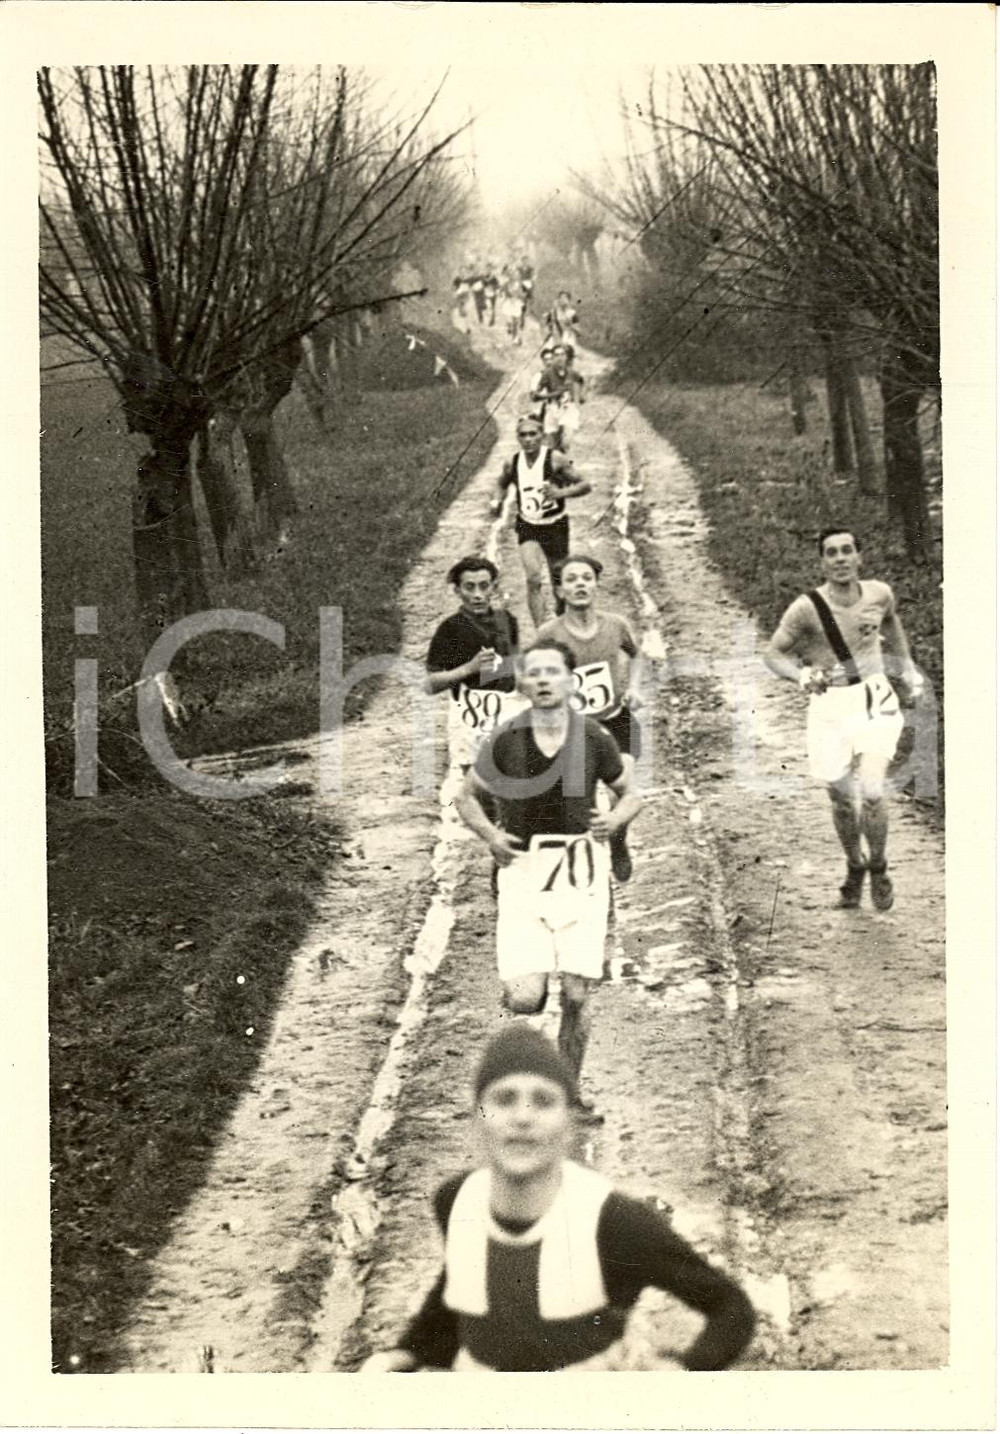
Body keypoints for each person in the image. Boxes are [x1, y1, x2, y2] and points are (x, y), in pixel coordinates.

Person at [358, 1023, 757, 1372]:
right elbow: (462, 1294)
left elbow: (731, 1309)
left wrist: (683, 1369)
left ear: (569, 1124)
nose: (523, 1117)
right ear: (477, 1121)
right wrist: (402, 1355)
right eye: (504, 1099)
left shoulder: (613, 1221)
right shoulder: (456, 1200)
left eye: (544, 1101)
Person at [454, 640, 642, 1099]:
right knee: (525, 999)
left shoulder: (594, 737)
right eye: (533, 673)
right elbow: (465, 797)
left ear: (570, 680)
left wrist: (615, 819)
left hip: (582, 870)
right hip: (523, 867)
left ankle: (568, 1094)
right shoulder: (506, 738)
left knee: (577, 994)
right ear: (522, 681)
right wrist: (492, 837)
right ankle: (520, 995)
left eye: (552, 672)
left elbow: (630, 793)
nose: (542, 680)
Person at [764, 526, 925, 911]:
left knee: (871, 791)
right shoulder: (807, 608)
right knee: (839, 798)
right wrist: (800, 675)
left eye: (847, 551)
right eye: (831, 553)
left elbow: (891, 622)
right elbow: (773, 653)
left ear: (859, 557)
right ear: (822, 562)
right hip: (830, 705)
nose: (840, 559)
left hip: (873, 699)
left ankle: (880, 866)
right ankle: (855, 865)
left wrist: (905, 666)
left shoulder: (879, 593)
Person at [536, 554, 643, 882]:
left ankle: (618, 839)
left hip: (615, 721)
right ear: (560, 591)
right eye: (571, 580)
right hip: (573, 729)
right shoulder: (549, 633)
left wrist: (634, 688)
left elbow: (636, 654)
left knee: (617, 793)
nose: (580, 584)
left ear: (596, 585)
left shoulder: (616, 624)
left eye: (586, 578)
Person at [489, 415, 591, 627]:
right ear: (517, 437)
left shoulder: (556, 459)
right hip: (528, 525)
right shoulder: (512, 462)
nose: (528, 439)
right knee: (533, 578)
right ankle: (540, 630)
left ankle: (561, 616)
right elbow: (501, 484)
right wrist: (496, 501)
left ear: (542, 436)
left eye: (533, 434)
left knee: (558, 580)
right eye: (523, 435)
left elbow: (585, 484)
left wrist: (560, 492)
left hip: (555, 525)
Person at [426, 556, 523, 774]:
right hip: (470, 717)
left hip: (507, 710)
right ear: (457, 591)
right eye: (469, 587)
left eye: (484, 586)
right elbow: (430, 684)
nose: (478, 595)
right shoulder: (450, 629)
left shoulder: (507, 620)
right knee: (477, 783)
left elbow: (515, 663)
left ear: (494, 588)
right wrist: (469, 669)